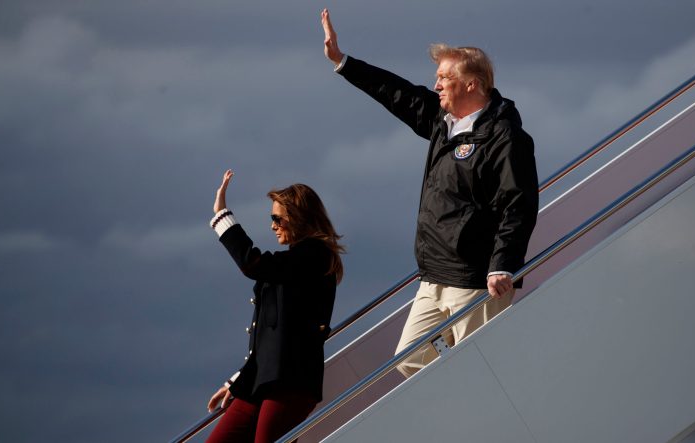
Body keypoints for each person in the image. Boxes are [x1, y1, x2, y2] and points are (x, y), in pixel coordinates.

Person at [321, 9, 538, 378]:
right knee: (408, 358)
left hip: (475, 276)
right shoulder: (443, 123)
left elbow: (518, 203)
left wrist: (503, 263)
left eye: (444, 78)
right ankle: (456, 406)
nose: (436, 85)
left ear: (472, 84)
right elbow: (398, 93)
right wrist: (344, 62)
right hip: (433, 274)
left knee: (482, 368)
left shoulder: (505, 136)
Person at [205, 169, 344, 443]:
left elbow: (253, 264)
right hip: (263, 380)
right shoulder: (293, 263)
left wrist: (222, 215)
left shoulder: (315, 256)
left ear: (298, 217)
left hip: (290, 383)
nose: (272, 225)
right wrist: (239, 380)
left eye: (277, 218)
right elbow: (273, 334)